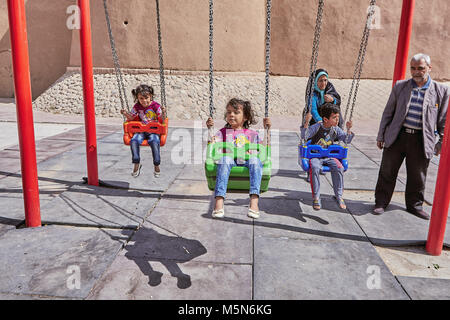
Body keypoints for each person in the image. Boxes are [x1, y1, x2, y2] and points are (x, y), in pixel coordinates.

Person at [373, 53, 449, 220]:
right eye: (413, 68)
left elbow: (443, 119)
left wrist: (440, 144)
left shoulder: (441, 91)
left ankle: (414, 205)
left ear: (429, 68)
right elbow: (388, 113)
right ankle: (381, 202)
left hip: (421, 139)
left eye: (420, 68)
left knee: (418, 175)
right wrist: (381, 135)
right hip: (398, 136)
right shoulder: (400, 87)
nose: (416, 72)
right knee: (387, 171)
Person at [206, 98, 271, 219]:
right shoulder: (223, 132)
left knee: (255, 160)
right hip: (230, 162)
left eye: (236, 112)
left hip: (247, 161)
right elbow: (213, 144)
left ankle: (254, 201)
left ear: (245, 117)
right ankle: (219, 200)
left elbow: (263, 149)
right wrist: (210, 130)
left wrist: (267, 130)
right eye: (229, 112)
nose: (231, 115)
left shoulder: (252, 133)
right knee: (225, 159)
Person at [301, 103, 354, 211]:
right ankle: (316, 197)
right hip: (315, 156)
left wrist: (348, 129)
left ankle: (338, 196)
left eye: (338, 117)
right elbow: (304, 136)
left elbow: (346, 139)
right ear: (325, 119)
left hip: (329, 157)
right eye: (334, 118)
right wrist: (306, 122)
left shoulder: (336, 129)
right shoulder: (317, 127)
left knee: (339, 167)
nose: (337, 120)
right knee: (314, 167)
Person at [120, 84, 166, 178]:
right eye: (141, 98)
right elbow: (132, 117)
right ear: (137, 98)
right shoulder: (137, 106)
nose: (144, 101)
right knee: (134, 141)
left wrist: (164, 112)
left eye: (146, 98)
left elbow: (162, 119)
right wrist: (125, 114)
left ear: (151, 96)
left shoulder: (155, 106)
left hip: (153, 130)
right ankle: (136, 163)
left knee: (154, 141)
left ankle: (156, 164)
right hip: (141, 131)